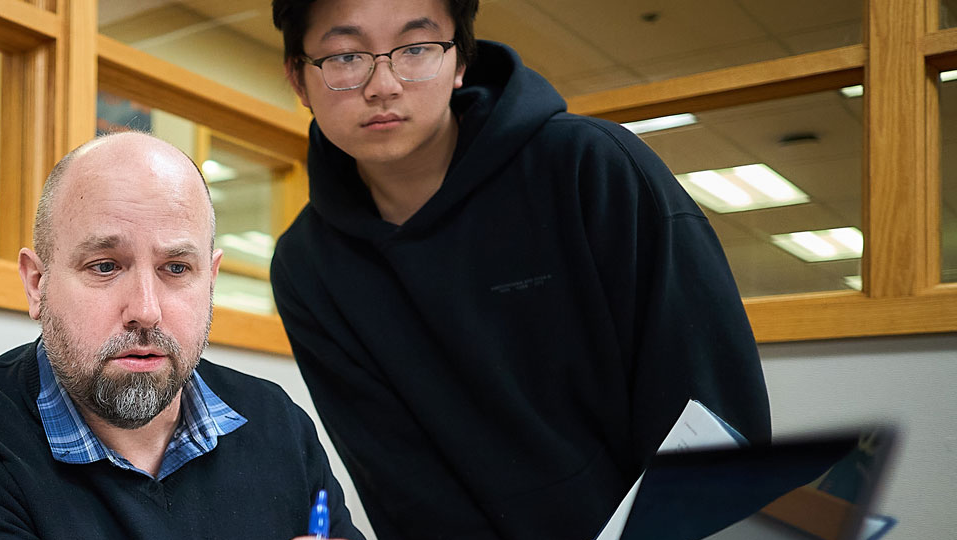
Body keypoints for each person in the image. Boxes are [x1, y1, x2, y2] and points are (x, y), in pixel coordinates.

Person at [266, 0, 774, 538]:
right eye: (345, 57)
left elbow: (712, 409)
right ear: (298, 79)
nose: (383, 84)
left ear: (460, 59)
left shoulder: (592, 169)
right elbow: (401, 483)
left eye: (415, 49)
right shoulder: (308, 266)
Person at [0, 132, 363, 540]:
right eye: (105, 266)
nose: (146, 312)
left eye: (176, 268)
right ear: (36, 283)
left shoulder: (277, 423)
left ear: (210, 281)